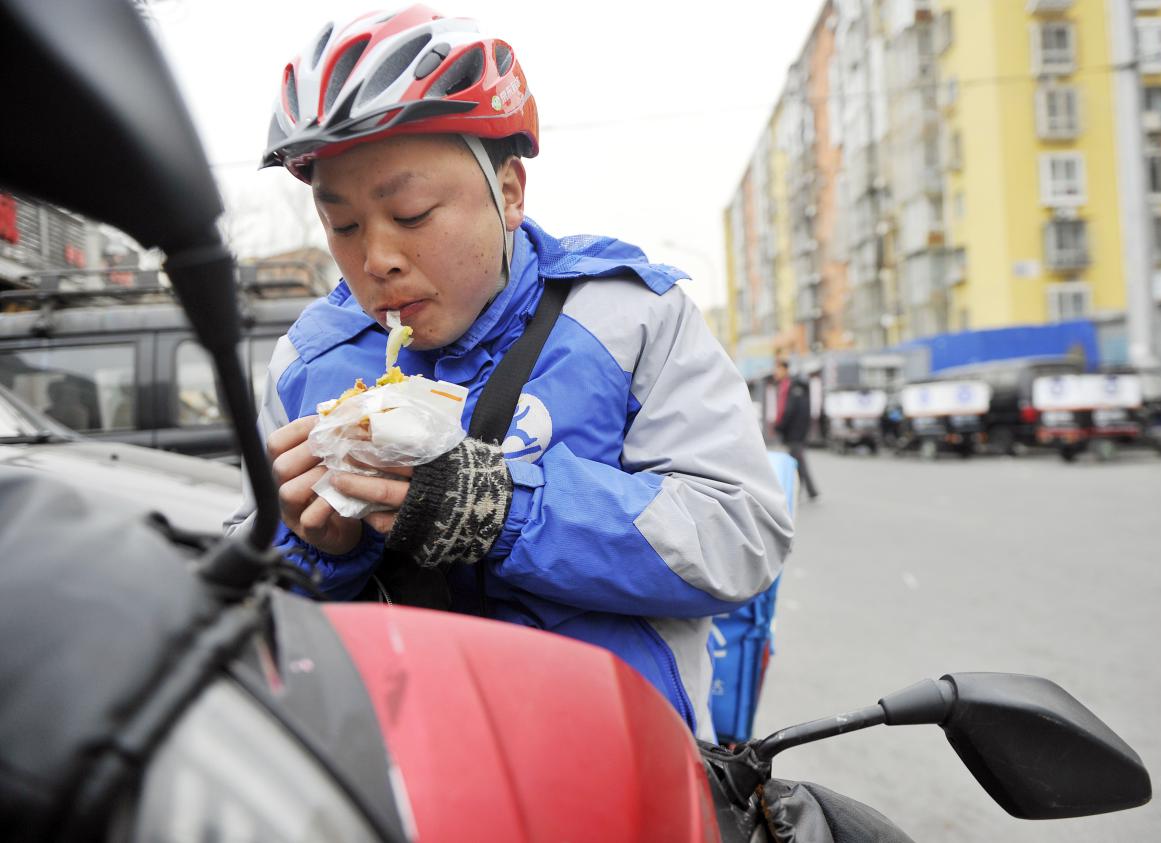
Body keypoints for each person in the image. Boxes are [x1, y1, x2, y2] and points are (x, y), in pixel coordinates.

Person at [225, 4, 792, 740]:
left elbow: (740, 538)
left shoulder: (629, 317)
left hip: (611, 750)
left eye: (412, 213)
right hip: (391, 759)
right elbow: (245, 602)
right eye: (343, 226)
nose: (377, 259)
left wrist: (499, 507)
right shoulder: (308, 360)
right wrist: (310, 548)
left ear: (511, 192)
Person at [772, 360, 819, 500]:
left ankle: (811, 491)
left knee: (798, 460)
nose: (775, 373)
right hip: (794, 431)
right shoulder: (788, 386)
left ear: (785, 370)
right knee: (797, 461)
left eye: (778, 369)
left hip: (795, 432)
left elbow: (790, 411)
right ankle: (803, 491)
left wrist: (780, 426)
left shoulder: (792, 387)